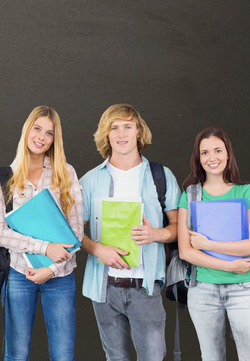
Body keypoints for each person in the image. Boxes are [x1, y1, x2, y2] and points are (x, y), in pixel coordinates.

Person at [79, 103, 180, 360]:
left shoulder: (161, 176)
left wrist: (156, 235)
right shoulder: (89, 180)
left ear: (138, 132)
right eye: (114, 128)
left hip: (145, 288)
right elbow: (72, 232)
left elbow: (179, 227)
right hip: (104, 289)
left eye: (128, 126)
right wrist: (97, 248)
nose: (121, 133)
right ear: (107, 134)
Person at [0, 105, 83, 361]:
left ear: (55, 139)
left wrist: (50, 269)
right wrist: (44, 248)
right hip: (19, 274)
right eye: (37, 128)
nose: (41, 137)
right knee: (16, 355)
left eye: (49, 133)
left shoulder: (66, 173)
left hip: (60, 276)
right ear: (27, 130)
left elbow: (76, 233)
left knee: (63, 355)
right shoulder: (3, 177)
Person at [177, 127, 250, 361]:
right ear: (198, 158)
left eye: (218, 150)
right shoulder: (190, 195)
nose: (212, 158)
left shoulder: (245, 192)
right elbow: (186, 252)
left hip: (243, 290)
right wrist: (230, 266)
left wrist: (208, 244)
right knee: (211, 357)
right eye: (205, 153)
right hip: (203, 290)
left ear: (228, 153)